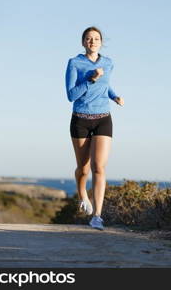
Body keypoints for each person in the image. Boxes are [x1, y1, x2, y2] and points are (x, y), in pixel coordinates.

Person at [65, 26, 124, 230]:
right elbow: (71, 95)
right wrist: (90, 80)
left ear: (101, 42)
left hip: (103, 118)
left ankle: (97, 216)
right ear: (83, 42)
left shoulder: (108, 63)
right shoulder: (75, 63)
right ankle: (82, 194)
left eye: (96, 39)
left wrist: (114, 96)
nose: (92, 42)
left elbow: (105, 85)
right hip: (80, 119)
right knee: (83, 169)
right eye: (88, 39)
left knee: (98, 167)